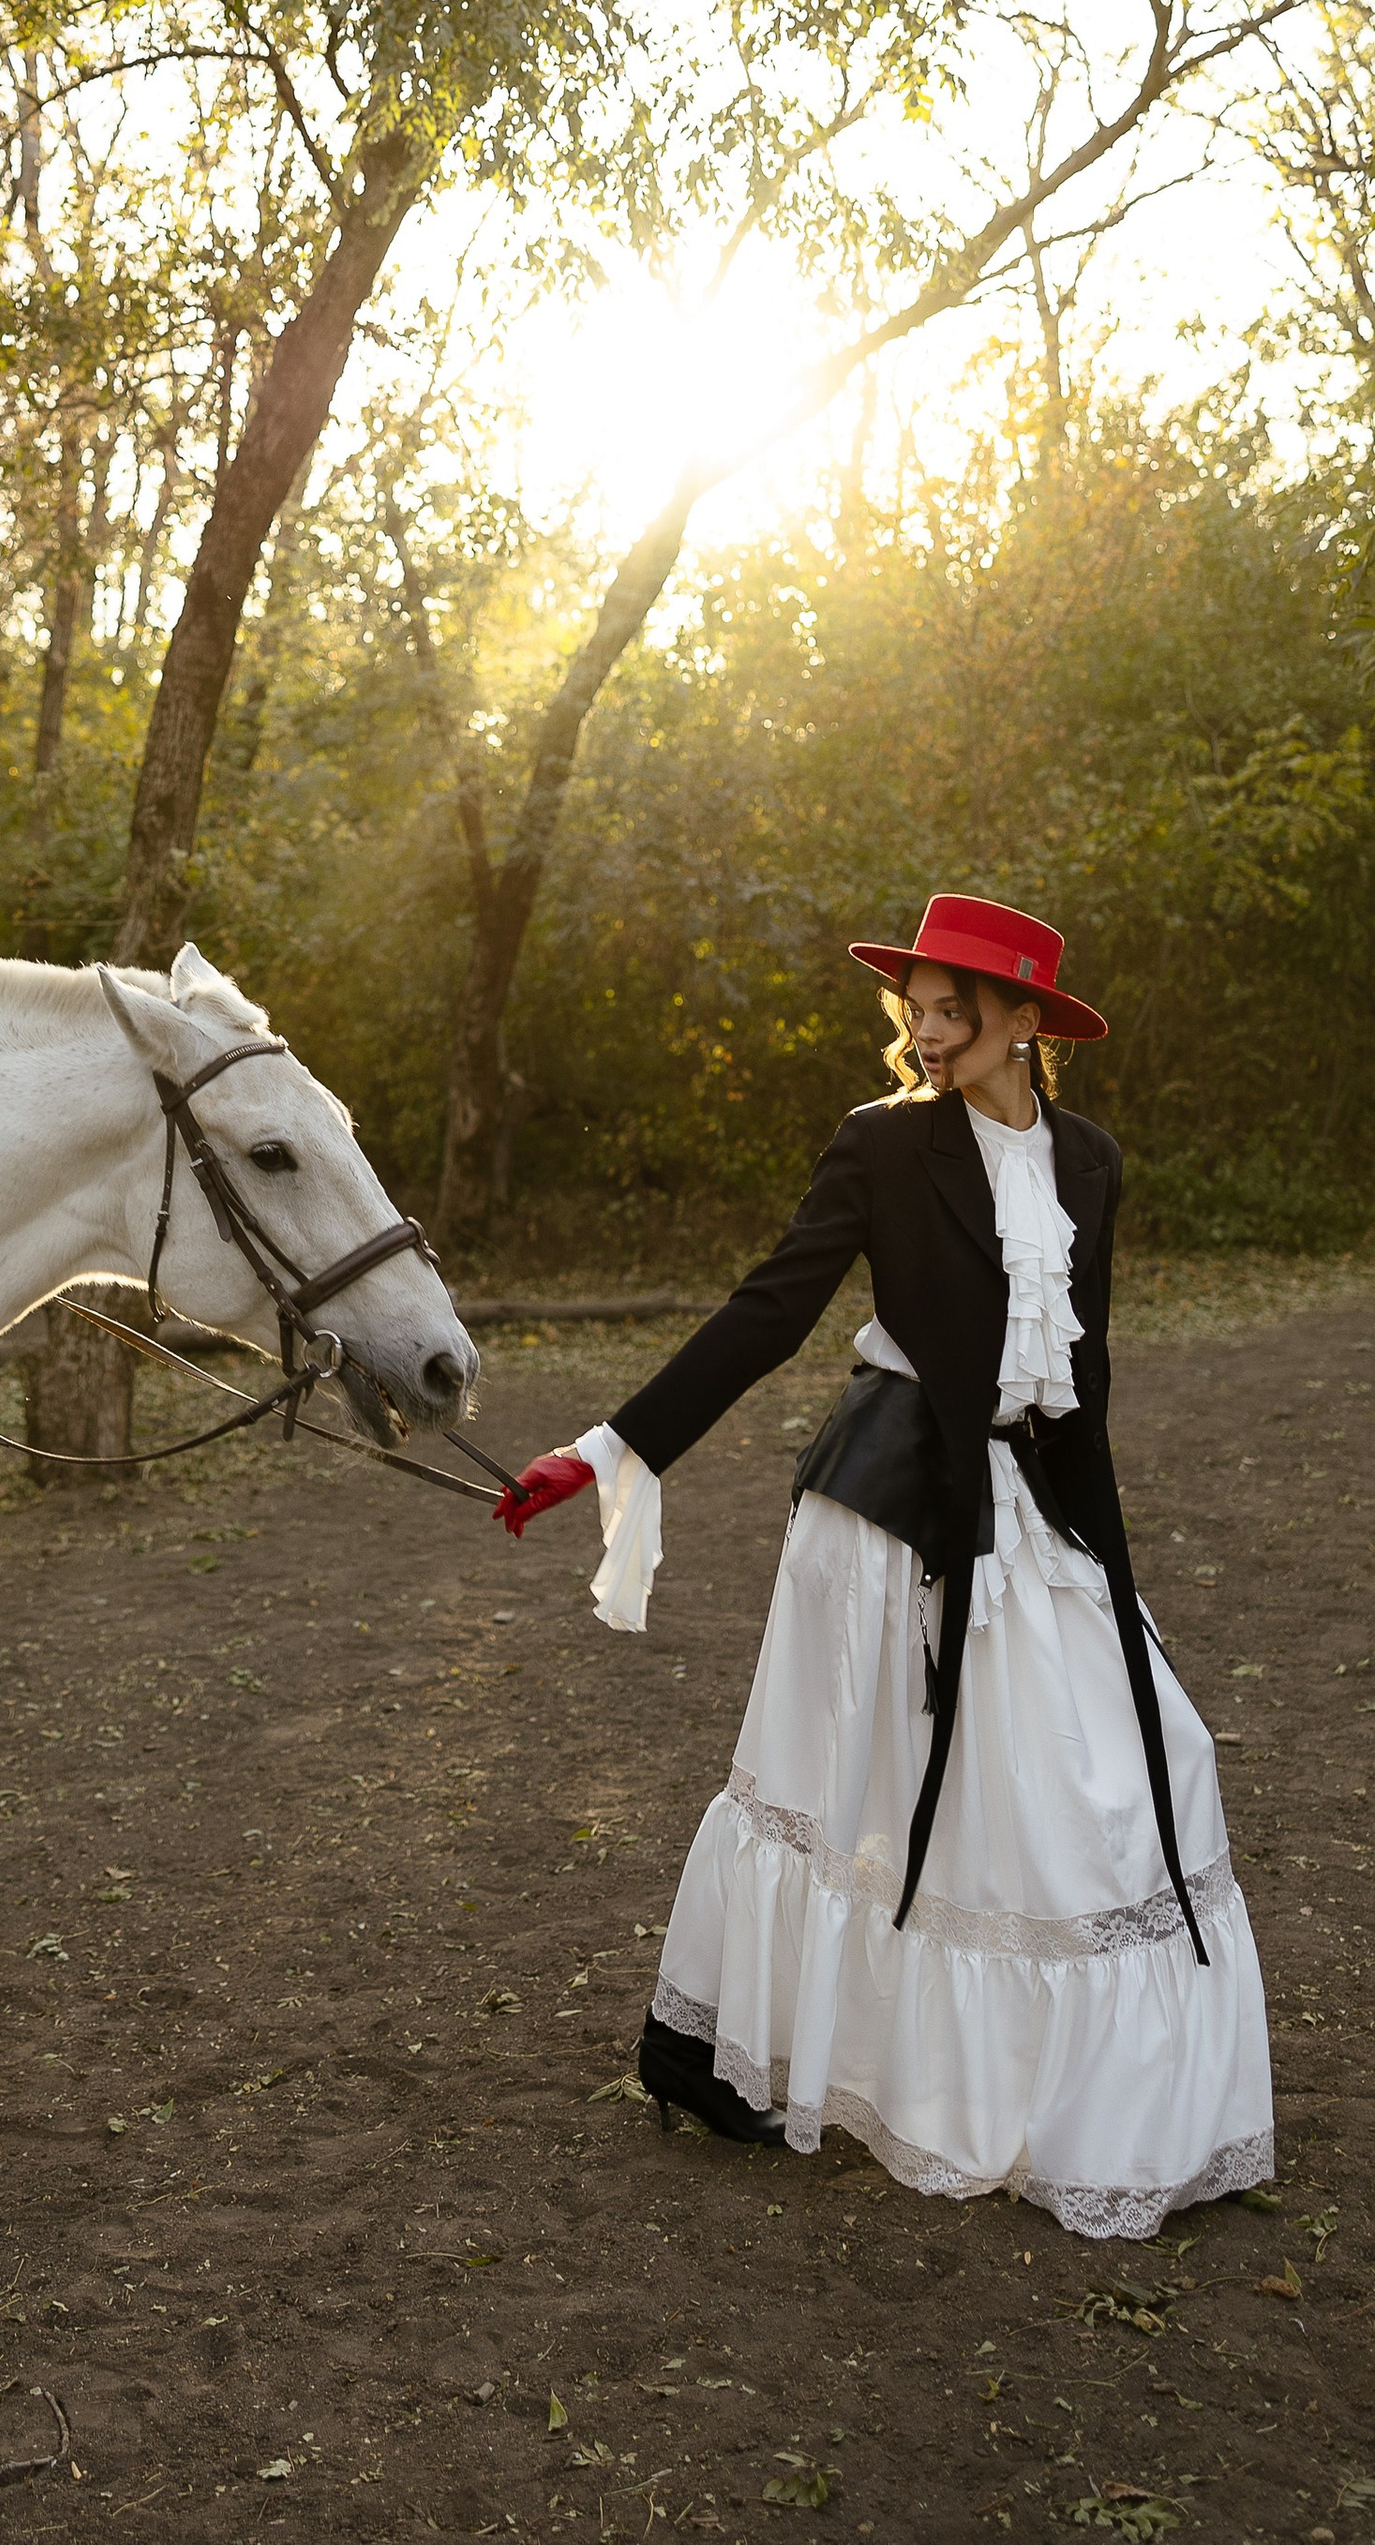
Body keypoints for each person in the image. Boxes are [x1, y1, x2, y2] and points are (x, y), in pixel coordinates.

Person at [514, 894, 1272, 2239]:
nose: (926, 1030)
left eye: (954, 1008)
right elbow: (769, 1310)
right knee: (825, 1785)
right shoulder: (884, 1146)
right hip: (886, 1516)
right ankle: (694, 2046)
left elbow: (1083, 1381)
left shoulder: (1092, 1163)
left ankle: (1050, 2088)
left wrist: (1107, 1552)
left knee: (1122, 1767)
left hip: (1032, 1506)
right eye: (915, 1006)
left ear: (1026, 1022)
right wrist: (613, 1451)